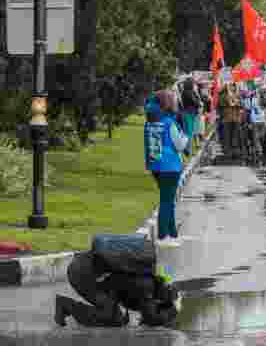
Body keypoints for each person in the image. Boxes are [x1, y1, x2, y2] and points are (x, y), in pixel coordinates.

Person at [54, 234, 180, 328]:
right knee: (110, 318)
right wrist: (165, 317)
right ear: (159, 298)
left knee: (116, 317)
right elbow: (150, 318)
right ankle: (66, 305)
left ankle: (71, 306)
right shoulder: (146, 288)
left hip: (86, 264)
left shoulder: (148, 277)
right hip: (82, 274)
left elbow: (120, 286)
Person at [152, 90, 187, 246]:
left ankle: (172, 233)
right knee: (167, 201)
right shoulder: (170, 123)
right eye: (173, 100)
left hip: (157, 165)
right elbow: (179, 145)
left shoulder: (154, 121)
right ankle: (162, 236)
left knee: (168, 199)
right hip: (170, 165)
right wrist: (185, 136)